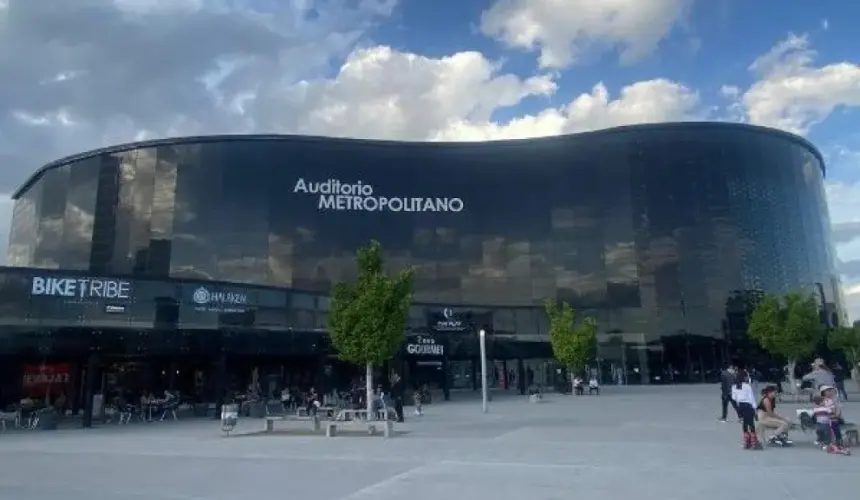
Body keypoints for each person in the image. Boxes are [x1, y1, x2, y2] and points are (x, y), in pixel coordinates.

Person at [731, 369, 762, 450]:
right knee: (751, 423)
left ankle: (746, 441)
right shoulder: (747, 386)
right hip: (748, 406)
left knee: (744, 423)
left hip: (740, 406)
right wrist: (755, 408)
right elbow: (751, 398)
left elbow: (734, 397)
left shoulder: (734, 386)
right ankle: (753, 442)